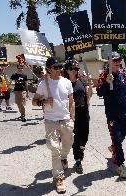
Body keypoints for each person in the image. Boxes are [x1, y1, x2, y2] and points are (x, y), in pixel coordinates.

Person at [32, 57, 75, 194]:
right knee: (54, 149)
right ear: (49, 69)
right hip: (51, 121)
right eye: (55, 68)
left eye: (60, 67)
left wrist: (72, 118)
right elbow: (34, 101)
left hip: (66, 120)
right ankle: (58, 177)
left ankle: (64, 157)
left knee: (68, 144)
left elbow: (71, 102)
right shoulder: (43, 84)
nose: (59, 70)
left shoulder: (67, 82)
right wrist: (43, 102)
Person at [97, 52, 126, 179]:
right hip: (112, 115)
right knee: (117, 138)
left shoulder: (123, 75)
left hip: (125, 113)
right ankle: (120, 164)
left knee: (121, 136)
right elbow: (99, 92)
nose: (117, 65)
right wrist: (106, 82)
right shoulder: (104, 75)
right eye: (115, 63)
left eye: (118, 63)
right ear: (109, 63)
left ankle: (114, 148)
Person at [63, 59, 92, 174]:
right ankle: (78, 160)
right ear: (67, 70)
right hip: (72, 114)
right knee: (76, 138)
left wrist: (89, 84)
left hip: (84, 112)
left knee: (84, 136)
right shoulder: (64, 84)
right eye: (72, 69)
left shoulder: (82, 82)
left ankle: (80, 151)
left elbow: (89, 96)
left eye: (77, 68)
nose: (75, 70)